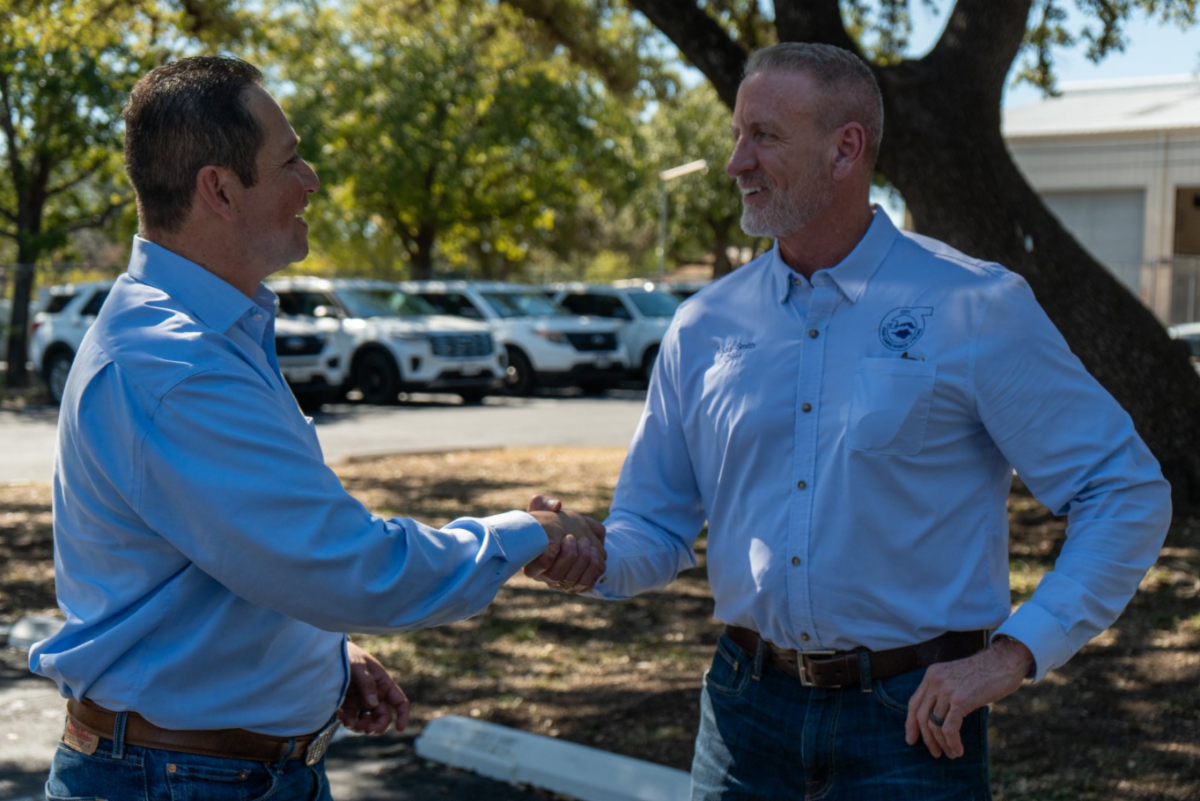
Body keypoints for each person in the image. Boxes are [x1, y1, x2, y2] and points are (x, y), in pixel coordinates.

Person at [585, 42, 1172, 800]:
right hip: (741, 716)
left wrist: (1016, 652)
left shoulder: (973, 305)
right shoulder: (703, 324)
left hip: (912, 725)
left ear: (846, 148)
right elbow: (653, 527)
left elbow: (1123, 490)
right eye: (737, 134)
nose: (736, 162)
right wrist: (587, 554)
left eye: (763, 136)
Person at [31, 55, 604, 801]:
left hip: (211, 770)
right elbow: (346, 566)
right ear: (219, 189)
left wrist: (318, 655)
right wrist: (532, 533)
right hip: (178, 779)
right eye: (290, 160)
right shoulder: (174, 363)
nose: (312, 180)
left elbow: (244, 553)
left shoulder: (205, 332)